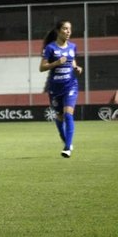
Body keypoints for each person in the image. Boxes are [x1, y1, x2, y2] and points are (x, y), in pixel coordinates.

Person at [39, 20, 83, 158]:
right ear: (58, 31)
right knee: (59, 117)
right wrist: (57, 63)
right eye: (65, 28)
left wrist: (76, 67)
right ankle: (65, 139)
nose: (68, 31)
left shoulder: (73, 47)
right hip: (55, 88)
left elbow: (72, 60)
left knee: (68, 114)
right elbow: (42, 68)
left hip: (70, 85)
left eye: (70, 29)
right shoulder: (50, 48)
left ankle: (67, 148)